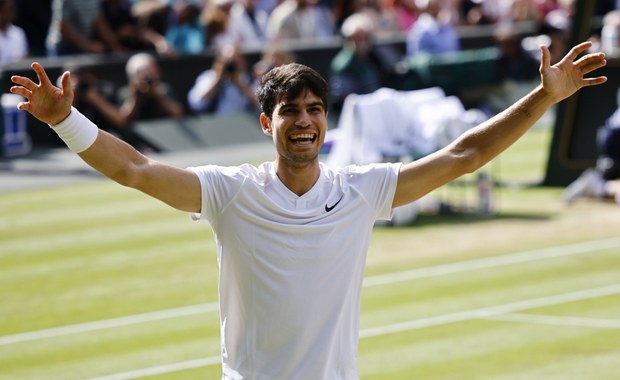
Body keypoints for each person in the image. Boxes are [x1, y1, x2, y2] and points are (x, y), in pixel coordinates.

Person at [9, 41, 607, 379]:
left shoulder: (361, 189)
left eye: (315, 109)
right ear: (268, 123)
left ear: (327, 119)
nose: (304, 121)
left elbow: (466, 153)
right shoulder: (229, 191)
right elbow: (134, 169)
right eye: (290, 111)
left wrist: (544, 96)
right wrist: (65, 118)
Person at [564, 97, 620, 205]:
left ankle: (593, 183)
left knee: (606, 176)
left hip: (611, 135)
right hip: (615, 137)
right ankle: (593, 183)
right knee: (606, 176)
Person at [187, 44, 259, 115]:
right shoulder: (209, 77)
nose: (231, 66)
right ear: (219, 61)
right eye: (227, 61)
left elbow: (259, 105)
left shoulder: (247, 79)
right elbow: (196, 103)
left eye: (234, 62)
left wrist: (240, 83)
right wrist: (218, 79)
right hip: (217, 123)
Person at [117, 52, 185, 122]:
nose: (145, 77)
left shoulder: (164, 90)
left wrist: (157, 95)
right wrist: (136, 96)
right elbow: (122, 118)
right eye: (140, 73)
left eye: (151, 72)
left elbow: (178, 113)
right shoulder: (125, 93)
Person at [0, 0, 28, 64]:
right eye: (7, 10)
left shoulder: (19, 33)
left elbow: (23, 59)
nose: (11, 13)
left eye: (12, 9)